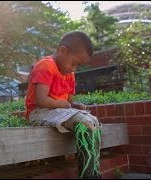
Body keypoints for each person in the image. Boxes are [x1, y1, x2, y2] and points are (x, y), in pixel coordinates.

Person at [25, 31, 102, 179]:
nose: (74, 69)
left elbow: (69, 101)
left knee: (93, 122)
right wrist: (66, 105)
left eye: (78, 65)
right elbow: (41, 100)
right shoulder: (46, 66)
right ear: (62, 51)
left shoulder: (69, 74)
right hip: (39, 111)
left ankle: (93, 173)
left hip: (59, 112)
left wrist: (76, 105)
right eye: (74, 63)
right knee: (84, 123)